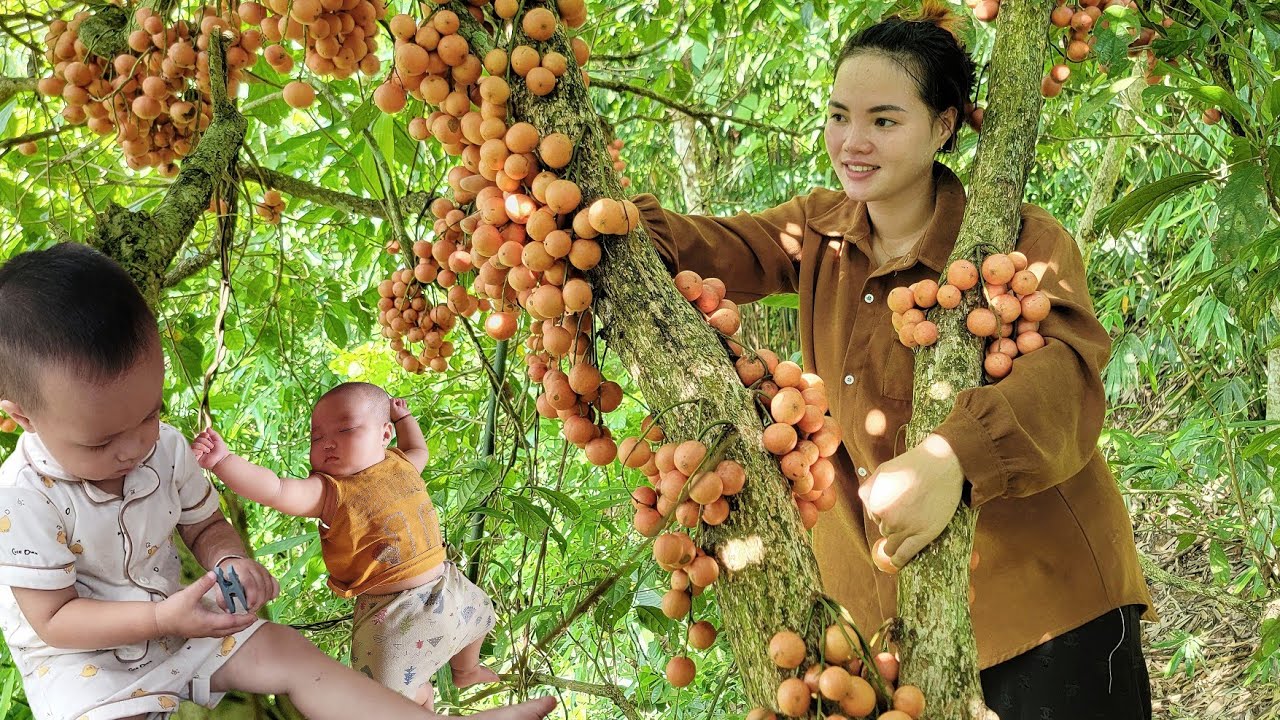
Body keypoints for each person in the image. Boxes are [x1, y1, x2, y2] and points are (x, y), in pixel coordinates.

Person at [631, 3, 1155, 718]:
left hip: (1045, 607)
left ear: (944, 125)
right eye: (839, 115)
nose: (852, 141)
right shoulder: (816, 230)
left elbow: (1065, 378)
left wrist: (953, 455)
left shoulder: (1020, 241)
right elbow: (690, 246)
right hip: (888, 636)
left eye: (883, 120)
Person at [0, 242, 555, 720]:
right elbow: (55, 621)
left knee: (290, 653)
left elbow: (206, 524)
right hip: (83, 665)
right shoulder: (21, 496)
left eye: (149, 413)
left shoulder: (165, 448)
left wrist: (228, 560)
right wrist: (161, 617)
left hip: (178, 625)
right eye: (99, 442)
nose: (133, 447)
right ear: (22, 415)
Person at [191, 383, 496, 711]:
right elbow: (276, 489)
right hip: (391, 612)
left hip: (446, 585)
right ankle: (421, 698)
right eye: (316, 437)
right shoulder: (329, 492)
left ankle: (465, 669)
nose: (327, 443)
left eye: (346, 429)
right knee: (384, 694)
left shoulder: (399, 464)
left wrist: (405, 417)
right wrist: (224, 461)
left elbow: (419, 450)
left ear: (384, 436)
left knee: (482, 614)